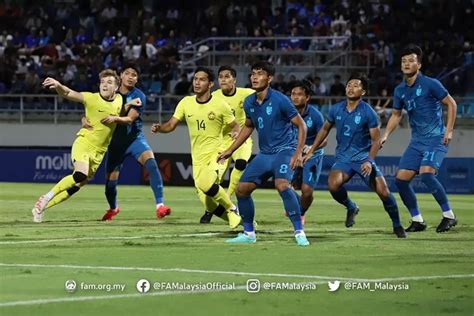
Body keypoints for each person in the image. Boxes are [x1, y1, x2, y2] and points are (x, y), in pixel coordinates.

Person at [218, 61, 310, 246]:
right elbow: (248, 127)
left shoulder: (281, 100)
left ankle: (299, 232)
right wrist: (230, 150)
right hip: (265, 154)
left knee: (282, 185)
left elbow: (302, 126)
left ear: (269, 78)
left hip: (285, 150)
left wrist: (298, 153)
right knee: (241, 190)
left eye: (260, 74)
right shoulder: (250, 102)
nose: (254, 77)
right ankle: (249, 233)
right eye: (253, 73)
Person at [305, 72, 407, 238]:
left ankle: (397, 224)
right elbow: (324, 129)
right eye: (349, 85)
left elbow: (376, 141)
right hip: (343, 159)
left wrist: (369, 160)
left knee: (384, 192)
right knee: (333, 185)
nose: (351, 88)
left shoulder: (369, 113)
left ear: (363, 92)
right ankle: (351, 206)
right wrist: (311, 150)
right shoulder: (336, 108)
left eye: (356, 86)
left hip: (362, 159)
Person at [380, 44, 458, 233]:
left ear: (419, 64)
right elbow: (397, 115)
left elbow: (452, 104)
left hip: (436, 138)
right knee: (400, 180)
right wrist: (385, 134)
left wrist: (449, 131)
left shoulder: (431, 84)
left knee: (426, 174)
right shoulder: (400, 90)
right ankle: (418, 220)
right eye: (403, 61)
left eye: (411, 60)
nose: (407, 64)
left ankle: (449, 215)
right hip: (416, 142)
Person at [151, 67, 242, 228]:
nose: (197, 82)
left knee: (207, 184)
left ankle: (232, 209)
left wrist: (235, 135)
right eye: (195, 79)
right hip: (197, 157)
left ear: (210, 84)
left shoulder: (220, 104)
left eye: (202, 79)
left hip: (217, 153)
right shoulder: (186, 103)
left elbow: (236, 127)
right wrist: (160, 128)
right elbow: (171, 125)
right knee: (209, 204)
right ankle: (245, 223)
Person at [32, 69, 123, 222]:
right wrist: (58, 85)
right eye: (102, 82)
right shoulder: (91, 98)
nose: (104, 85)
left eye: (109, 82)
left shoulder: (120, 99)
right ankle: (46, 197)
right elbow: (68, 93)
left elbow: (126, 113)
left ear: (116, 87)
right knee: (80, 174)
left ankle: (40, 208)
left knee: (77, 185)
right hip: (84, 143)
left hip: (99, 152)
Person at [82, 64, 171, 221]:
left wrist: (116, 117)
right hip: (114, 144)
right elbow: (94, 110)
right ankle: (113, 208)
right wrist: (84, 119)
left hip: (134, 139)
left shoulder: (139, 96)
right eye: (127, 73)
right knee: (110, 184)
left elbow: (129, 119)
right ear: (120, 76)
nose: (131, 77)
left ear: (137, 80)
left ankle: (160, 206)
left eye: (134, 75)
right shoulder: (109, 93)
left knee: (152, 164)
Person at [199, 65, 255, 224]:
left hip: (242, 140)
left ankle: (229, 197)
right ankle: (210, 209)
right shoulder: (213, 97)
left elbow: (264, 95)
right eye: (221, 77)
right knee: (214, 179)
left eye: (227, 76)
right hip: (222, 143)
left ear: (234, 80)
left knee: (241, 162)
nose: (223, 79)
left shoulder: (247, 94)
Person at [289, 80, 326, 225]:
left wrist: (311, 148)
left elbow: (324, 140)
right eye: (293, 94)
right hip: (292, 153)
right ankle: (297, 205)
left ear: (307, 97)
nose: (295, 97)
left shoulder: (316, 115)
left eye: (299, 94)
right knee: (283, 185)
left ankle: (301, 212)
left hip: (312, 155)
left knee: (307, 191)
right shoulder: (287, 112)